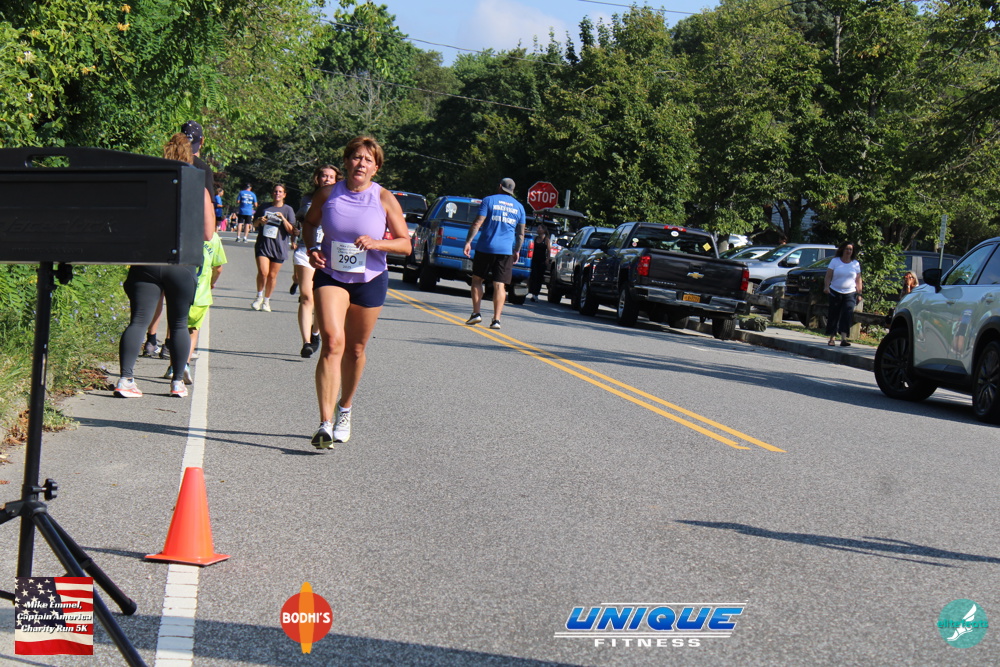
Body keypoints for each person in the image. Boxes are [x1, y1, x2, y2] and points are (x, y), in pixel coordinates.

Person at [301, 136, 410, 448]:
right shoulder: (328, 194)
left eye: (368, 160)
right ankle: (324, 423)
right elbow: (309, 224)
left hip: (370, 279)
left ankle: (345, 408)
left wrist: (378, 243)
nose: (361, 164)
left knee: (356, 349)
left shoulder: (384, 198)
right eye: (356, 157)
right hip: (331, 275)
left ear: (376, 168)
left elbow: (405, 244)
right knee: (333, 342)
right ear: (347, 161)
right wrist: (312, 249)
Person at [114, 132, 213, 398]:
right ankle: (177, 382)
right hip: (181, 262)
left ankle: (125, 379)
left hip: (148, 260)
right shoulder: (199, 189)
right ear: (190, 157)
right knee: (179, 323)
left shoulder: (149, 185)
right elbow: (208, 233)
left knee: (138, 320)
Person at [462, 178, 526, 329]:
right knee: (500, 284)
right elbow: (520, 234)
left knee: (477, 279)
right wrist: (517, 250)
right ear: (512, 191)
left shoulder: (488, 201)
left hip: (485, 247)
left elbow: (478, 223)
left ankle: (476, 313)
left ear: (500, 186)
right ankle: (496, 320)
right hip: (506, 250)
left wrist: (468, 241)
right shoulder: (519, 207)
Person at [292, 164, 340, 357]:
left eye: (331, 177)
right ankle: (306, 343)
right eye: (323, 176)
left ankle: (315, 333)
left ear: (336, 180)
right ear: (317, 179)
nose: (327, 179)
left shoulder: (341, 199)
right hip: (306, 249)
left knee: (320, 300)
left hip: (328, 253)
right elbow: (303, 221)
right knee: (307, 297)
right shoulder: (307, 199)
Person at [165, 231, 227, 380]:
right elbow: (218, 268)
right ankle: (185, 364)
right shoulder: (213, 237)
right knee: (192, 331)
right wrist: (212, 282)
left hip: (180, 290)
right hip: (201, 293)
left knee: (176, 328)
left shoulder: (184, 232)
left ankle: (173, 366)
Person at [250, 184, 296, 312]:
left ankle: (266, 301)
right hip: (263, 244)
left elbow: (292, 230)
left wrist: (283, 219)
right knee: (263, 272)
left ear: (284, 195)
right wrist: (260, 220)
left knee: (272, 275)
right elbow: (254, 224)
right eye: (275, 191)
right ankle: (259, 297)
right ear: (272, 193)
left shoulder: (288, 210)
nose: (277, 194)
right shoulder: (264, 207)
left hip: (279, 246)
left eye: (280, 192)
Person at [823, 241, 863, 347]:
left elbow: (858, 279)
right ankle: (832, 338)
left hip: (850, 292)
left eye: (850, 249)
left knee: (847, 314)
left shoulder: (855, 263)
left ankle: (844, 339)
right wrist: (826, 286)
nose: (848, 251)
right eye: (847, 249)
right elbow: (828, 275)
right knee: (834, 314)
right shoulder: (835, 261)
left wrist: (859, 293)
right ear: (842, 250)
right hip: (835, 291)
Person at [528, 222, 551, 302]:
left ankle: (536, 294)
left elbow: (549, 251)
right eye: (537, 228)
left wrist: (547, 259)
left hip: (542, 261)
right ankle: (532, 292)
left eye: (539, 228)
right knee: (533, 276)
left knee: (539, 278)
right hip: (534, 260)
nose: (538, 229)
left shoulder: (546, 240)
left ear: (543, 230)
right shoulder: (535, 238)